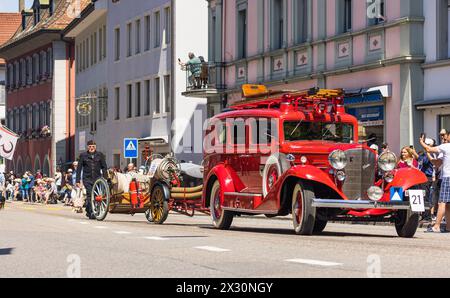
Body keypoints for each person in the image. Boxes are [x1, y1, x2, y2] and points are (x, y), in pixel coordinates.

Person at [421, 134, 450, 233]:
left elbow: (428, 149)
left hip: (447, 177)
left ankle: (436, 226)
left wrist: (422, 142)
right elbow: (437, 163)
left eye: (445, 136)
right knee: (448, 204)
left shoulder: (446, 146)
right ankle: (448, 227)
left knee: (442, 202)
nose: (444, 138)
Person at [76, 140, 108, 219]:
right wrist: (77, 180)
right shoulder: (83, 155)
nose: (91, 148)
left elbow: (104, 167)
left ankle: (90, 209)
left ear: (95, 147)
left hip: (97, 179)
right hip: (87, 179)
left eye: (93, 146)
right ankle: (91, 212)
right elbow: (79, 169)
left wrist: (105, 178)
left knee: (98, 196)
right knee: (90, 194)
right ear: (88, 147)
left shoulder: (100, 155)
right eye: (90, 146)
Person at [418, 138, 437, 221]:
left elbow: (425, 162)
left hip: (428, 177)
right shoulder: (424, 154)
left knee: (426, 196)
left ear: (430, 145)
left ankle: (427, 216)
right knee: (423, 195)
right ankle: (424, 214)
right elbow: (419, 161)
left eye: (427, 144)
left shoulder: (430, 154)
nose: (424, 145)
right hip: (422, 176)